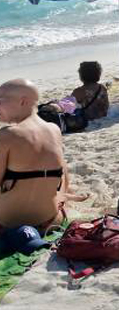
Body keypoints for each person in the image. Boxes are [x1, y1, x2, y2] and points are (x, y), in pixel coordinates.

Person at [0, 79, 70, 233]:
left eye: (1, 99)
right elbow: (65, 176)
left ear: (22, 101)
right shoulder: (54, 130)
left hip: (9, 226)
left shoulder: (7, 135)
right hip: (50, 221)